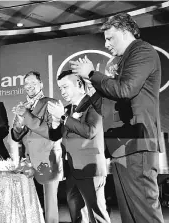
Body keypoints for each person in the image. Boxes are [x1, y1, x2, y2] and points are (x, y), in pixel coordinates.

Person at [70, 13, 164, 223]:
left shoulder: (142, 51)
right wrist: (91, 86)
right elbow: (107, 107)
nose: (106, 44)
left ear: (125, 31)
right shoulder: (124, 61)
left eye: (110, 38)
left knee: (145, 212)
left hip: (137, 141)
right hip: (122, 144)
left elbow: (125, 90)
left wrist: (93, 74)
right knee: (129, 214)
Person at [47, 70, 111, 223]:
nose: (62, 91)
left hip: (90, 169)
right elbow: (55, 136)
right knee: (76, 214)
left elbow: (90, 131)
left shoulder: (94, 104)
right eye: (60, 88)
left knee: (97, 214)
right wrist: (55, 124)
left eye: (65, 87)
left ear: (80, 85)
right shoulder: (67, 109)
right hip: (71, 170)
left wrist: (63, 117)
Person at [11, 71, 63, 223]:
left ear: (41, 84)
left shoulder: (51, 103)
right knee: (31, 204)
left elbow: (50, 132)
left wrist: (26, 116)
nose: (30, 86)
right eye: (27, 83)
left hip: (48, 159)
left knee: (50, 206)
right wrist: (19, 123)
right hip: (28, 162)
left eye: (34, 83)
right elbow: (16, 135)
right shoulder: (22, 106)